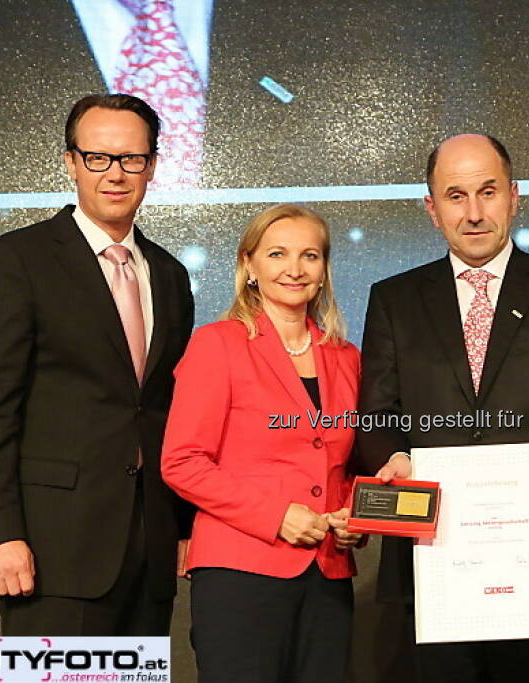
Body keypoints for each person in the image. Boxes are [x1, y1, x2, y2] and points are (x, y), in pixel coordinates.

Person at [356, 133, 529, 682]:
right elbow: (377, 417)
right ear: (431, 208)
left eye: (488, 191)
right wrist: (396, 460)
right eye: (456, 196)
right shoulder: (394, 299)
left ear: (514, 195)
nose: (475, 212)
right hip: (433, 561)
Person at [0, 94, 195, 635]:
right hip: (47, 553)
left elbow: (165, 412)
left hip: (148, 552)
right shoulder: (13, 261)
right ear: (70, 162)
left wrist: (181, 524)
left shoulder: (170, 275)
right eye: (98, 158)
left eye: (131, 158)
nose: (115, 174)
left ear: (152, 165)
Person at [161, 203, 362, 683]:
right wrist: (276, 516)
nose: (294, 269)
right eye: (277, 254)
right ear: (249, 264)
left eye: (309, 256)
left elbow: (349, 463)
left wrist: (357, 514)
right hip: (240, 572)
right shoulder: (217, 344)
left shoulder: (346, 356)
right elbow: (182, 462)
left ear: (324, 270)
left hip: (328, 573)